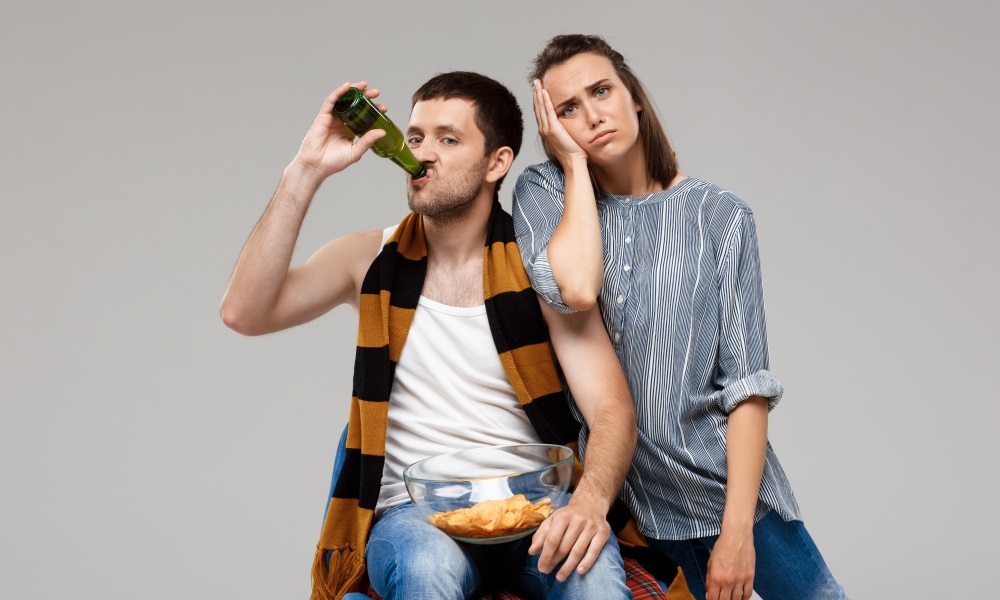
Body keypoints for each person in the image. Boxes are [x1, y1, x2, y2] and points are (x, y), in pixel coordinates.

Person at [220, 71, 644, 600]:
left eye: (449, 139)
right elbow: (244, 312)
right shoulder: (368, 259)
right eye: (416, 136)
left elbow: (612, 408)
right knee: (426, 568)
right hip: (417, 516)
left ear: (497, 163)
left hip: (534, 508)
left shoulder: (541, 267)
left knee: (594, 584)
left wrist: (590, 501)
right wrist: (305, 170)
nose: (422, 153)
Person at [512, 34, 850, 600]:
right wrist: (572, 164)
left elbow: (746, 385)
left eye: (602, 91)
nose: (592, 116)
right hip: (627, 503)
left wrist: (739, 531)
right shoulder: (545, 193)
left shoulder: (722, 216)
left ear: (634, 96)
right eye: (568, 108)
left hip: (725, 490)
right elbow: (576, 287)